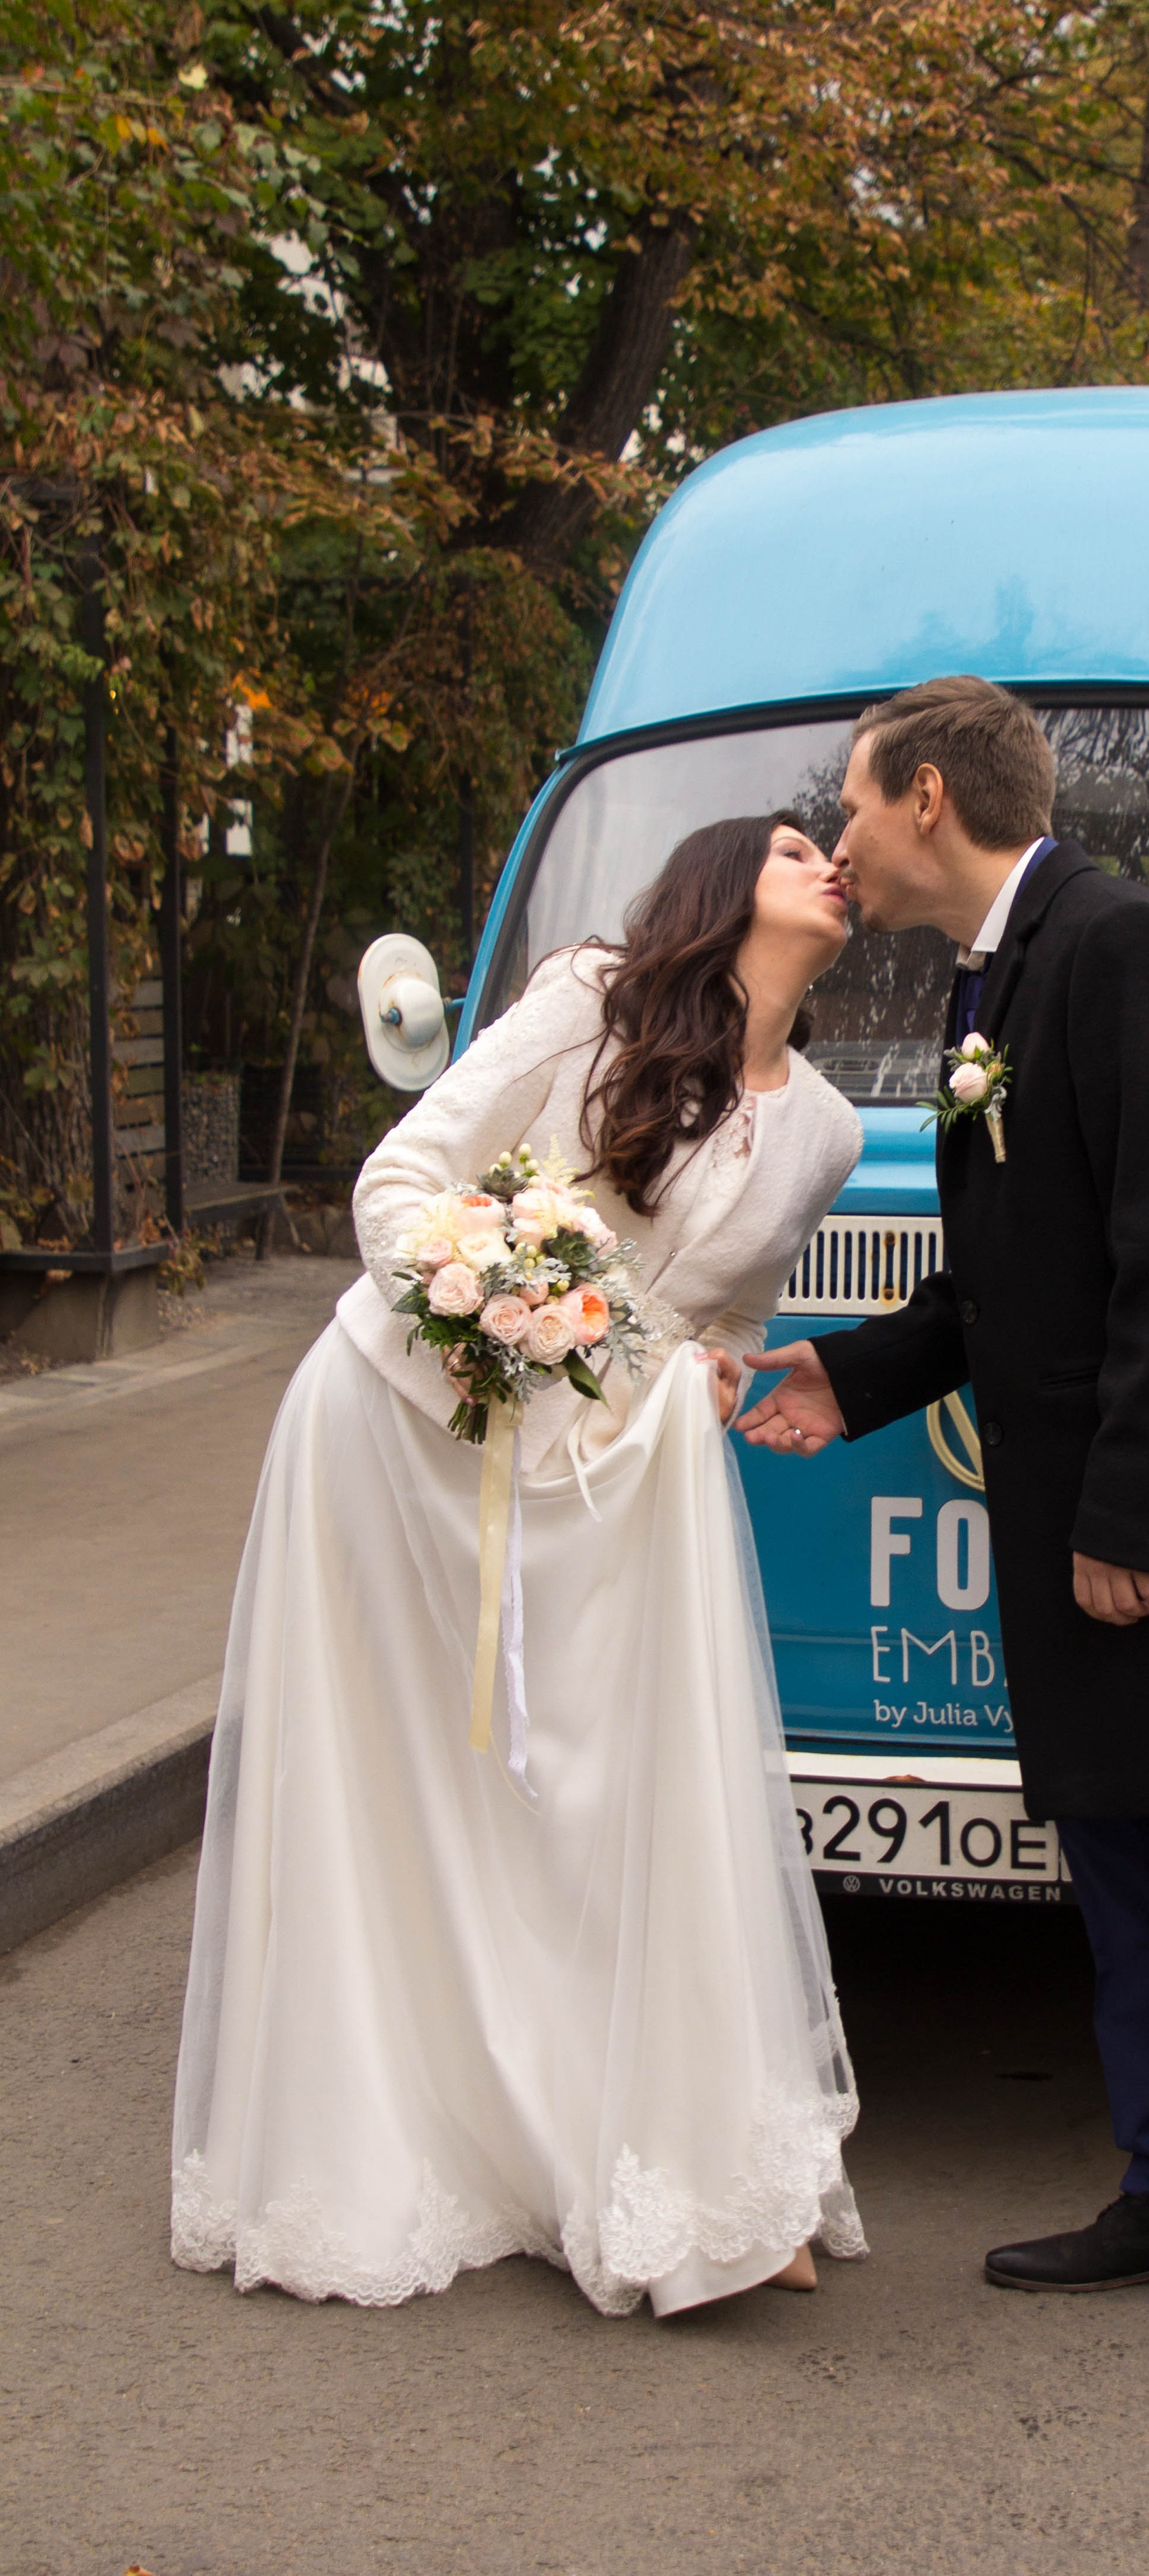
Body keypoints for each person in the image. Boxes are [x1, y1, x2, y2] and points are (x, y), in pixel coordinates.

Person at [739, 678, 1149, 2397]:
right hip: (1078, 1519)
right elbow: (1006, 1273)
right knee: (1119, 1871)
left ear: (930, 796)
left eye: (856, 807)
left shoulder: (1128, 954)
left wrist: (1128, 1519)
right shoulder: (991, 980)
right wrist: (850, 1369)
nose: (843, 839)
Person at [172, 817, 868, 2317]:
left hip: (604, 1492)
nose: (833, 863)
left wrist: (704, 1378)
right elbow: (398, 1187)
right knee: (397, 1797)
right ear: (719, 878)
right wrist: (522, 1317)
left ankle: (667, 2167)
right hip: (397, 1434)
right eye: (799, 843)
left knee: (593, 1804)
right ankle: (408, 2142)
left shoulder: (824, 1128)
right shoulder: (589, 997)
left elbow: (720, 1325)